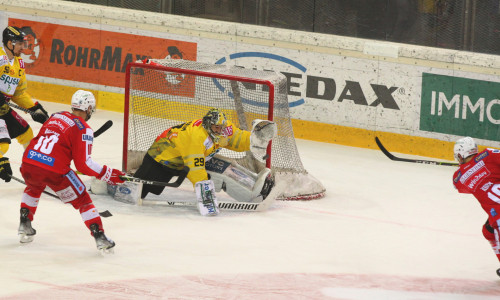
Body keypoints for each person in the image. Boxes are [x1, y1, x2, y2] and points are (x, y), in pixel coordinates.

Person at [18, 90, 125, 253]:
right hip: (54, 170)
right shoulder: (84, 129)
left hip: (28, 162)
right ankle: (100, 237)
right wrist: (111, 174)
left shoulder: (56, 115)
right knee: (82, 199)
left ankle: (24, 224)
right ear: (88, 108)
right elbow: (84, 165)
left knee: (34, 186)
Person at [133, 108, 277, 216]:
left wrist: (253, 139)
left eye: (222, 127)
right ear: (208, 125)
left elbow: (236, 138)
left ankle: (254, 188)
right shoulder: (196, 137)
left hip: (183, 159)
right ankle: (123, 183)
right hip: (161, 159)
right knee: (139, 191)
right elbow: (194, 169)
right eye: (216, 128)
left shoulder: (221, 127)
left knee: (223, 168)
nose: (220, 131)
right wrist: (206, 199)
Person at [0, 26, 49, 183]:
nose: (23, 47)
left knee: (26, 133)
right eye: (20, 44)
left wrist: (34, 108)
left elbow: (18, 93)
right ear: (9, 43)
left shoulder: (19, 64)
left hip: (3, 108)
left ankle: (32, 171)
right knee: (3, 144)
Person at [452, 137, 500, 277]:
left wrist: (466, 169)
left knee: (491, 230)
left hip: (498, 216)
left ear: (460, 155)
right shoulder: (490, 154)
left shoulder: (459, 177)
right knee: (487, 231)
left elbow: (459, 187)